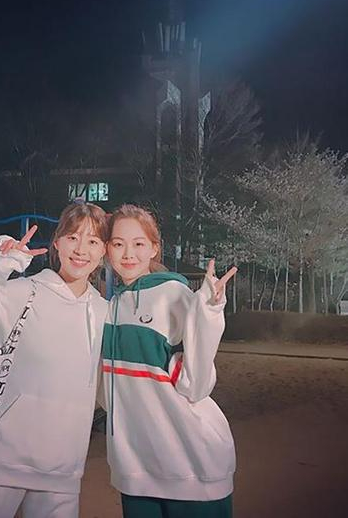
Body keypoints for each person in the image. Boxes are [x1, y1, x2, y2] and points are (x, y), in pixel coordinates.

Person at [0, 202, 108, 518]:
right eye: (73, 237)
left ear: (103, 250)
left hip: (64, 468)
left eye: (93, 240)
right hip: (1, 460)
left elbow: (111, 388)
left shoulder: (104, 312)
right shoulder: (23, 293)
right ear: (57, 242)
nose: (81, 249)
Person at [101, 204, 237, 518]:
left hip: (191, 464)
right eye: (118, 243)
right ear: (107, 249)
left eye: (138, 243)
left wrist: (209, 312)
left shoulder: (174, 294)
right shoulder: (110, 307)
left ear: (154, 248)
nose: (128, 253)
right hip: (135, 468)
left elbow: (197, 385)